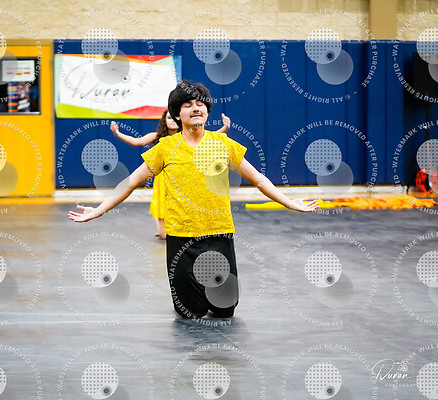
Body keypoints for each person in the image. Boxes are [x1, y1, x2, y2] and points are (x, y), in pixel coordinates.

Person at [68, 80, 318, 320]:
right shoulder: (165, 148)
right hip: (181, 239)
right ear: (177, 115)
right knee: (190, 311)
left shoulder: (223, 143)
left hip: (218, 233)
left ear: (207, 111)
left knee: (225, 309)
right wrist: (98, 210)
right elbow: (131, 182)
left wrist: (289, 202)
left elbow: (259, 179)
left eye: (200, 104)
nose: (195, 108)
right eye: (187, 105)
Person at [110, 110, 231, 238]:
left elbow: (210, 137)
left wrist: (225, 127)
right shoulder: (157, 136)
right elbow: (136, 141)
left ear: (179, 119)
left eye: (173, 118)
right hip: (162, 178)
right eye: (168, 118)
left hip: (180, 179)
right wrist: (117, 133)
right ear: (164, 121)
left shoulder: (187, 135)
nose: (172, 121)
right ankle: (162, 228)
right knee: (162, 209)